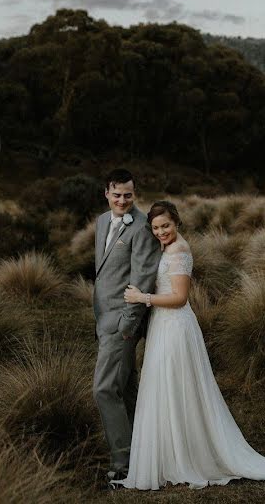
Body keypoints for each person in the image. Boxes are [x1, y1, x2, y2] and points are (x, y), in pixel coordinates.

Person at [112, 200, 265, 491]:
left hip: (176, 325)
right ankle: (169, 454)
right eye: (155, 227)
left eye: (165, 225)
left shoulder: (180, 250)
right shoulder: (166, 247)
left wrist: (143, 298)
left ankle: (185, 454)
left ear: (176, 221)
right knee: (163, 385)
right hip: (162, 326)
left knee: (176, 384)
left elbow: (179, 297)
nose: (161, 231)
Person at [91, 169, 161, 486]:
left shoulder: (142, 227)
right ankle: (148, 451)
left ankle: (122, 462)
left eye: (128, 195)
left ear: (135, 194)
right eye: (117, 194)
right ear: (106, 192)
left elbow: (143, 277)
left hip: (122, 324)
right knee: (127, 389)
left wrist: (127, 325)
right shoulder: (103, 222)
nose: (122, 200)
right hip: (102, 319)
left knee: (105, 389)